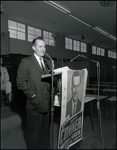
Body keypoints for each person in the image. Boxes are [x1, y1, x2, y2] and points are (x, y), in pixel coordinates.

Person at [16, 37, 52, 149]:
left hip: (46, 103)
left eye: (44, 46)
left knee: (45, 135)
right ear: (33, 47)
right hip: (34, 105)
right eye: (40, 46)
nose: (43, 49)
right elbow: (21, 83)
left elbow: (47, 82)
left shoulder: (47, 62)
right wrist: (33, 96)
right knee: (34, 136)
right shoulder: (26, 62)